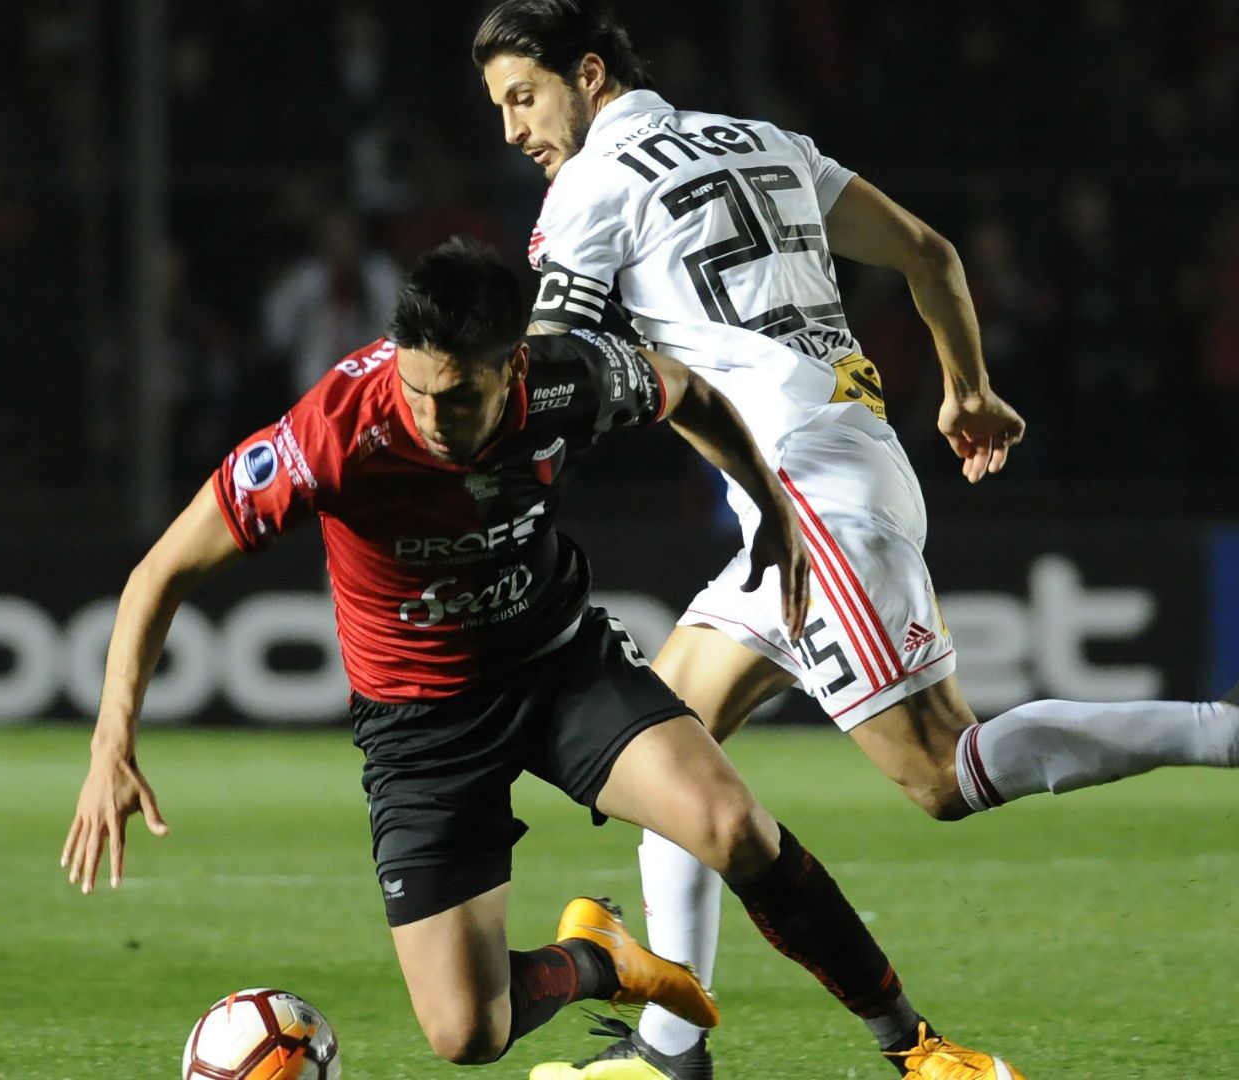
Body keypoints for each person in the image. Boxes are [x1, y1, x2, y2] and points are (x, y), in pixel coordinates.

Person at [469, 3, 1239, 1076]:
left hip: (811, 500)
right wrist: (970, 389)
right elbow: (929, 253)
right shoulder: (767, 143)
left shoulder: (588, 189)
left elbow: (546, 363)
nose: (514, 129)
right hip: (831, 470)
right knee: (672, 746)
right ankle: (673, 1051)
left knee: (942, 773)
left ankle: (1237, 728)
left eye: (524, 97)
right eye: (499, 108)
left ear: (589, 73)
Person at [59, 238, 1025, 1078]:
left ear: (513, 366)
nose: (434, 416)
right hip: (422, 728)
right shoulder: (334, 435)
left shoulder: (569, 377)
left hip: (560, 667)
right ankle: (600, 959)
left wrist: (770, 504)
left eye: (462, 394)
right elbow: (160, 571)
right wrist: (111, 743)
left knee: (734, 826)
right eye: (418, 387)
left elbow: (686, 389)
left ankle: (917, 1048)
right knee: (465, 1034)